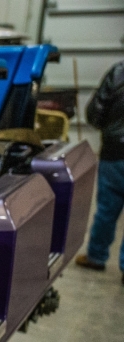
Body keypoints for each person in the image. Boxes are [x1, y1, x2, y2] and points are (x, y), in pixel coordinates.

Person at [76, 59, 124, 284]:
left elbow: (95, 113)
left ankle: (96, 256)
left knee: (107, 208)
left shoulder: (118, 72)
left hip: (115, 152)